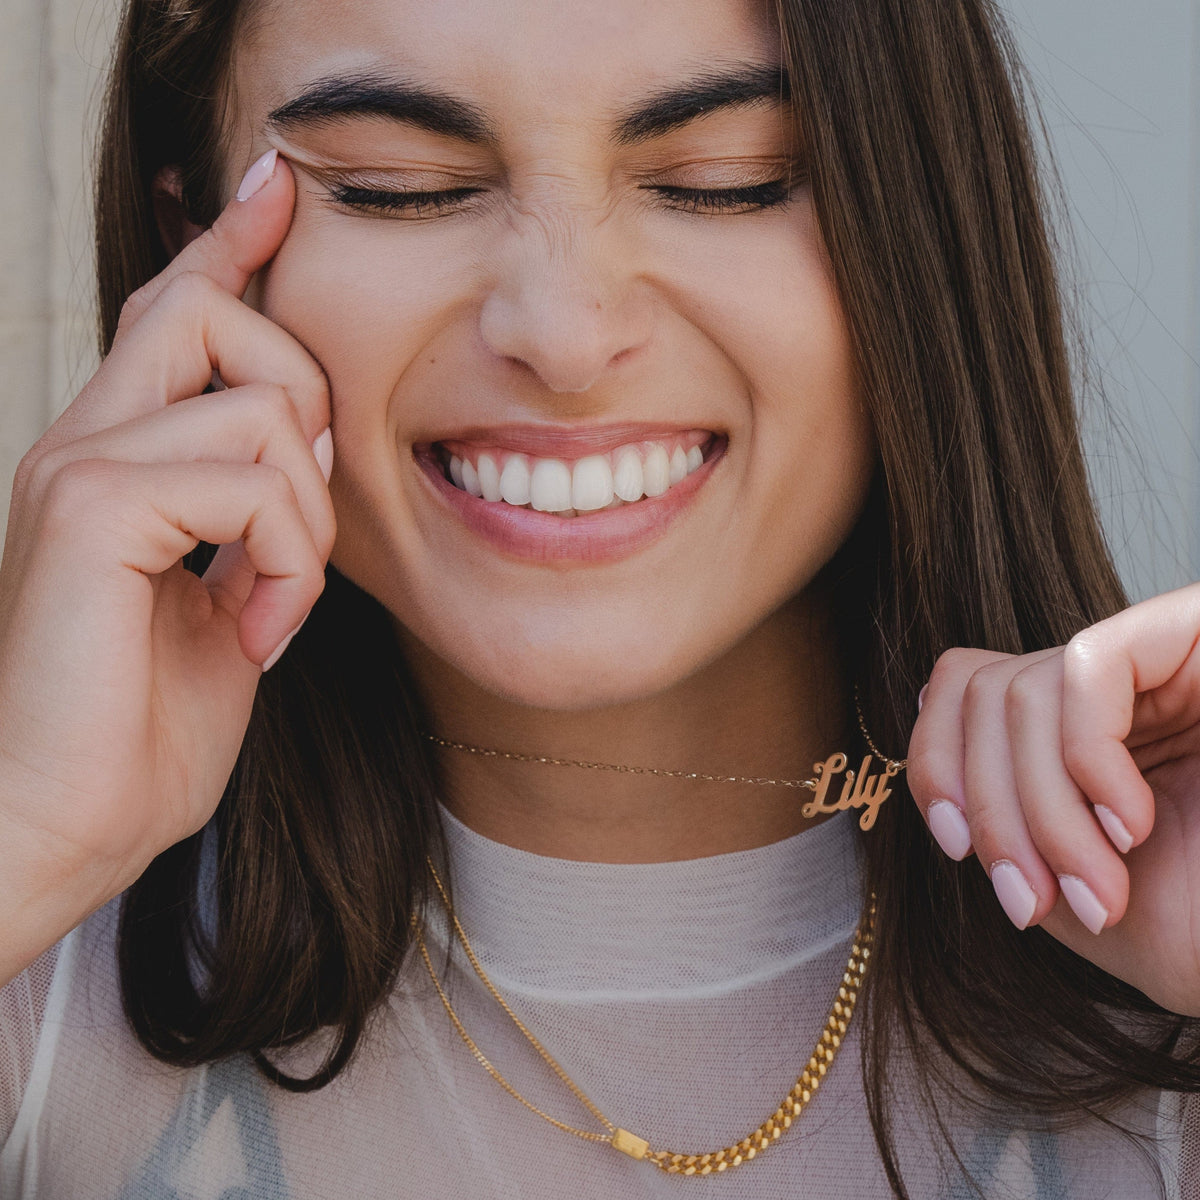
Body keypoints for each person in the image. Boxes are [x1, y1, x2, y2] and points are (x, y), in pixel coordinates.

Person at [0, 0, 1198, 1195]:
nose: (564, 336)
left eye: (730, 180)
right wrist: (30, 838)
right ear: (199, 249)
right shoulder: (40, 978)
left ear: (926, 221)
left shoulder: (1165, 991)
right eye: (397, 185)